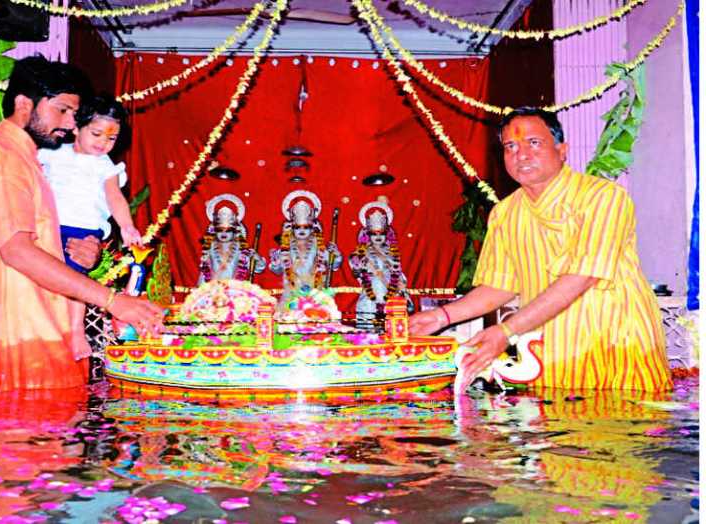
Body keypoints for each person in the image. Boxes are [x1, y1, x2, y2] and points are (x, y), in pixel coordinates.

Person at [0, 56, 164, 391]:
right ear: (25, 104)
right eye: (62, 110)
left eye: (74, 114)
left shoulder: (29, 159)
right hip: (9, 337)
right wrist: (113, 301)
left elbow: (42, 240)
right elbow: (18, 252)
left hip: (31, 329)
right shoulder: (2, 158)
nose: (71, 125)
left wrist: (89, 251)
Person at [410, 106, 671, 392]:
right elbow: (499, 286)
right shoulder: (505, 213)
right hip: (554, 352)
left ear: (562, 150)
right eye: (511, 146)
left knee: (626, 431)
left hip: (616, 343)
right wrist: (441, 317)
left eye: (533, 143)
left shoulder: (603, 198)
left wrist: (507, 331)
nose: (521, 154)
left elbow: (581, 277)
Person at [37, 95, 142, 273]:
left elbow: (114, 197)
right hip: (47, 225)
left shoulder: (106, 167)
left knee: (69, 279)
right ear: (76, 128)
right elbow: (19, 155)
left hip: (83, 233)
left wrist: (127, 226)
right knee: (42, 273)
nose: (103, 142)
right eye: (96, 134)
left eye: (112, 138)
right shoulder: (52, 152)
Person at [269, 190, 342, 307]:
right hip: (291, 295)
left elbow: (334, 265)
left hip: (316, 294)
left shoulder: (319, 246)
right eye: (297, 227)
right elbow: (277, 270)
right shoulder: (285, 246)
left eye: (306, 227)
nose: (302, 231)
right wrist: (276, 263)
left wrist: (336, 255)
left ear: (312, 228)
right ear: (292, 228)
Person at [349, 201, 410, 329]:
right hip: (370, 297)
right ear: (367, 235)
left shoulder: (392, 253)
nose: (378, 237)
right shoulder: (360, 253)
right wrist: (359, 266)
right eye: (373, 234)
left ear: (386, 234)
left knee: (392, 330)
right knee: (368, 333)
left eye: (381, 233)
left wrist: (402, 285)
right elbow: (356, 269)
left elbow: (398, 273)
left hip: (390, 295)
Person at [197, 193, 266, 284]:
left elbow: (258, 268)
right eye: (220, 230)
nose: (223, 233)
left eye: (228, 230)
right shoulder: (210, 247)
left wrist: (257, 258)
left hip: (235, 291)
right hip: (213, 290)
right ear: (214, 231)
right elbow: (204, 272)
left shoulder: (241, 249)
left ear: (235, 232)